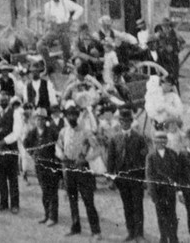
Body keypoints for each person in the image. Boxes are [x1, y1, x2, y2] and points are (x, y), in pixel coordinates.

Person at [56, 101, 101, 240]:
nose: (71, 118)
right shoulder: (64, 131)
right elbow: (57, 147)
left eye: (74, 115)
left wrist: (86, 158)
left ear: (77, 115)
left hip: (82, 168)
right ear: (66, 116)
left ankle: (96, 231)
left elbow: (98, 149)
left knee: (88, 200)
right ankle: (76, 226)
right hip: (68, 168)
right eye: (69, 115)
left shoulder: (85, 131)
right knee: (72, 199)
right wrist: (61, 155)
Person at [106, 108, 148, 241]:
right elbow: (111, 159)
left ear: (131, 121)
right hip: (122, 179)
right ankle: (131, 232)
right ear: (119, 122)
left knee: (138, 206)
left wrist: (144, 178)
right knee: (127, 206)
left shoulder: (139, 138)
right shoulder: (114, 138)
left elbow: (144, 158)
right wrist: (111, 179)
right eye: (122, 121)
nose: (125, 123)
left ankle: (139, 234)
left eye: (128, 120)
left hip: (136, 178)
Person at [0, 90, 24, 214]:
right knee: (1, 177)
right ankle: (3, 202)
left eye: (5, 99)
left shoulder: (15, 114)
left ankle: (15, 204)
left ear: (9, 100)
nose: (3, 101)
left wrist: (4, 141)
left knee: (12, 177)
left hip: (10, 148)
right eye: (1, 99)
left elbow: (17, 132)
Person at [23, 107, 60, 226]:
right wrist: (32, 154)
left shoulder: (52, 132)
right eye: (38, 119)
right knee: (44, 191)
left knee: (53, 191)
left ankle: (53, 217)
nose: (40, 121)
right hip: (39, 166)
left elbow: (59, 146)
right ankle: (46, 214)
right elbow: (26, 143)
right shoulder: (32, 132)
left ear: (46, 120)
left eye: (42, 119)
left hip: (51, 165)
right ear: (35, 120)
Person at [37, 0, 83, 74]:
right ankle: (48, 65)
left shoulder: (66, 2)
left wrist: (72, 19)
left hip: (64, 29)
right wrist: (41, 18)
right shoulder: (48, 5)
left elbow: (80, 9)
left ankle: (66, 67)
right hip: (53, 29)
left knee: (66, 47)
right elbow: (47, 19)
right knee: (40, 45)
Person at [146, 130, 180, 243]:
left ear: (166, 141)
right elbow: (149, 175)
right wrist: (152, 192)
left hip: (170, 191)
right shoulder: (150, 156)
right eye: (158, 140)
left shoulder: (172, 154)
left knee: (172, 216)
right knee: (161, 217)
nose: (161, 142)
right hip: (158, 191)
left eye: (163, 140)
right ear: (154, 141)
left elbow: (176, 173)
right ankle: (163, 238)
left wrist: (178, 189)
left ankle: (173, 238)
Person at [158, 17, 185, 94]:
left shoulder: (175, 33)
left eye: (166, 25)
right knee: (165, 77)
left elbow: (183, 43)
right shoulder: (160, 34)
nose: (164, 27)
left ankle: (177, 96)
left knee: (174, 78)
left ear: (169, 25)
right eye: (163, 26)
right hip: (164, 59)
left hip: (173, 58)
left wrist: (177, 50)